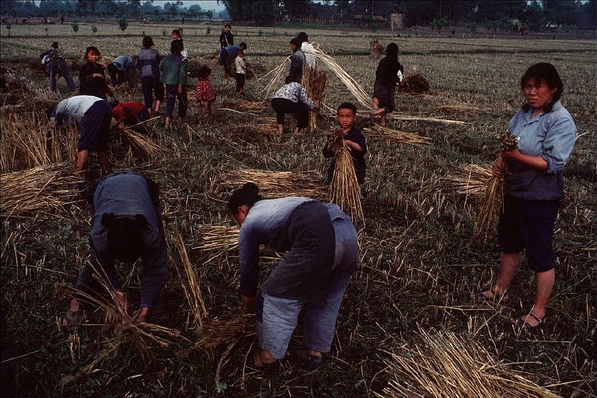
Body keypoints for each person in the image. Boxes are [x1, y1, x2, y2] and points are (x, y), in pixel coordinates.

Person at [475, 63, 577, 329]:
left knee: (539, 253)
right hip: (515, 189)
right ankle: (500, 290)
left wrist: (515, 157)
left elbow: (553, 163)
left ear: (553, 88)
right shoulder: (523, 114)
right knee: (510, 243)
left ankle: (539, 310)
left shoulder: (561, 120)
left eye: (538, 86)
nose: (531, 92)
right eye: (527, 86)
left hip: (539, 197)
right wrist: (501, 161)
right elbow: (508, 143)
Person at [228, 182, 358, 368]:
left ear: (242, 210)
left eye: (236, 219)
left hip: (321, 235)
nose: (239, 225)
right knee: (324, 296)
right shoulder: (279, 204)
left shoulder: (250, 222)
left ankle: (269, 355)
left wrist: (249, 306)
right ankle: (315, 352)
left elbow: (248, 267)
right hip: (347, 232)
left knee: (273, 295)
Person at [63, 171, 168, 327]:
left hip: (140, 184)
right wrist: (117, 291)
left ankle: (147, 302)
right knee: (97, 259)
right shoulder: (100, 233)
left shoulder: (149, 233)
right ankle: (76, 301)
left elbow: (156, 270)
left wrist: (144, 314)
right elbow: (103, 263)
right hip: (105, 187)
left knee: (158, 252)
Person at [48, 95, 113, 173]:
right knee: (101, 143)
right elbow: (71, 123)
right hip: (106, 107)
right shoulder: (71, 104)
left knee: (84, 144)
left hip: (93, 109)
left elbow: (52, 126)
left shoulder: (57, 108)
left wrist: (48, 137)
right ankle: (104, 171)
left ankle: (78, 174)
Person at [323, 102, 367, 185]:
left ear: (354, 118)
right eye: (341, 116)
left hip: (354, 167)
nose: (344, 119)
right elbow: (326, 153)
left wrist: (348, 143)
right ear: (337, 117)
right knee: (334, 181)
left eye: (348, 116)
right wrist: (331, 144)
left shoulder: (356, 133)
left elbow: (362, 149)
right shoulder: (335, 134)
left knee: (354, 183)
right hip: (338, 167)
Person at [372, 43, 403, 127]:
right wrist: (400, 83)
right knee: (389, 106)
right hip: (387, 88)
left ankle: (382, 122)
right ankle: (375, 112)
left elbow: (377, 72)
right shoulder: (395, 63)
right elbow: (395, 76)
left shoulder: (383, 61)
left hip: (377, 85)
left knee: (379, 100)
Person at [160, 39, 188, 129]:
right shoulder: (183, 60)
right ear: (180, 48)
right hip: (179, 84)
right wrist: (180, 86)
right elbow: (182, 74)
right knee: (183, 103)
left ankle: (167, 123)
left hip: (169, 84)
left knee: (169, 102)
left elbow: (161, 67)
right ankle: (179, 123)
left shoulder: (167, 57)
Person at [136, 36, 163, 115]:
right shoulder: (155, 52)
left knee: (147, 94)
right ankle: (157, 108)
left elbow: (138, 66)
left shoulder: (140, 53)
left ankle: (149, 112)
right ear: (151, 43)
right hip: (155, 75)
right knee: (159, 91)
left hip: (145, 76)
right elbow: (158, 62)